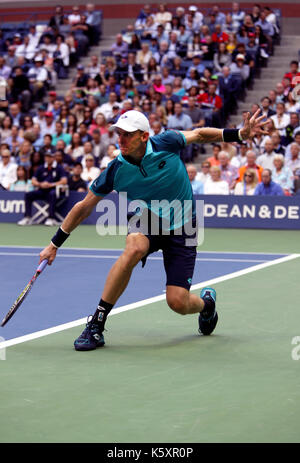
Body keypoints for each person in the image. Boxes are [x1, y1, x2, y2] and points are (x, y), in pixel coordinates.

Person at [38, 109, 267, 351]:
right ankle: (97, 323)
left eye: (127, 135)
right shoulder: (116, 169)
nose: (121, 139)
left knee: (178, 302)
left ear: (144, 136)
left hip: (183, 225)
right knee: (133, 248)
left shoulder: (165, 142)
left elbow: (199, 134)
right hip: (146, 218)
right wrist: (54, 245)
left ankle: (206, 305)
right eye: (119, 134)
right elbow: (84, 207)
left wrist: (239, 134)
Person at [17, 151, 68, 226]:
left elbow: (64, 181)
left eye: (49, 157)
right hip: (42, 191)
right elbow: (33, 181)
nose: (47, 159)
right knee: (28, 195)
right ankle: (27, 217)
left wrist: (51, 184)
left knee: (52, 194)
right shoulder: (41, 168)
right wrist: (40, 184)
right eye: (46, 157)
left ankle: (51, 218)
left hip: (54, 191)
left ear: (53, 158)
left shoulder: (59, 168)